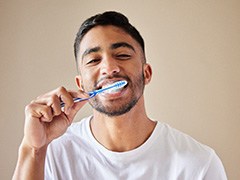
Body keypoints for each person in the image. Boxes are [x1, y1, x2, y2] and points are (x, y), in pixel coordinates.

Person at [13, 11, 227, 180]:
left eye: (122, 55)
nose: (109, 67)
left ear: (146, 73)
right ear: (81, 84)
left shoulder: (199, 165)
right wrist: (33, 150)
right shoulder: (51, 154)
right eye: (93, 60)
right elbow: (36, 152)